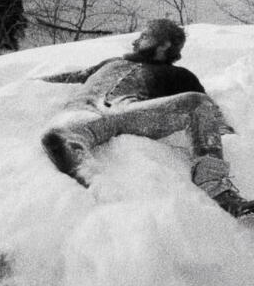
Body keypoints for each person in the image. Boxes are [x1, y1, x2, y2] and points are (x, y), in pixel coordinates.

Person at [39, 19, 253, 219]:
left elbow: (209, 109)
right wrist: (31, 82)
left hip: (128, 111)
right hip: (82, 110)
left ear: (164, 45)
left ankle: (217, 188)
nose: (136, 40)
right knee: (58, 136)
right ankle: (95, 182)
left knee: (198, 101)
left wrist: (224, 131)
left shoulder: (179, 75)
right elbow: (69, 77)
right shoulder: (111, 62)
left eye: (145, 36)